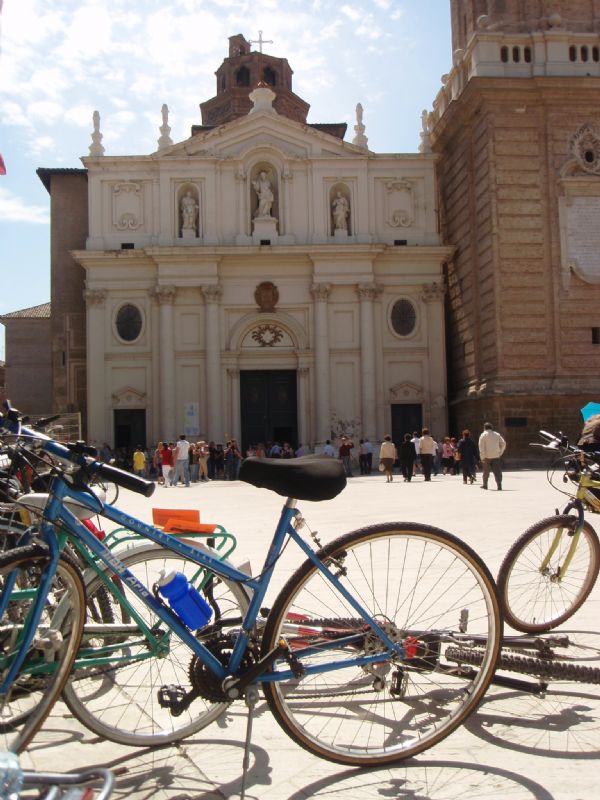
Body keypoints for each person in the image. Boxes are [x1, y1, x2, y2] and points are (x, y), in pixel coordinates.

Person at [478, 422, 506, 490]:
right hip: (496, 456)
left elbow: (481, 447)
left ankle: (485, 485)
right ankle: (499, 485)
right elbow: (503, 443)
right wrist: (500, 452)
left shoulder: (483, 435)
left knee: (486, 472)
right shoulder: (497, 434)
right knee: (497, 471)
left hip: (487, 456)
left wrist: (482, 457)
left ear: (484, 428)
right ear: (491, 428)